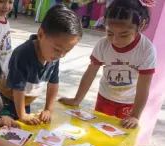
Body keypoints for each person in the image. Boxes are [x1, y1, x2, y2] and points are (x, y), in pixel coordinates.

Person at [60, 0, 157, 129]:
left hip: (129, 103)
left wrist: (135, 116)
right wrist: (77, 99)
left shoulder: (146, 50)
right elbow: (90, 73)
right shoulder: (103, 44)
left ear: (141, 25)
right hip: (104, 98)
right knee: (99, 132)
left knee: (122, 134)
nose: (115, 40)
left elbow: (143, 87)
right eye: (110, 33)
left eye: (124, 35)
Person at [0, 4, 83, 125]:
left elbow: (53, 84)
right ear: (41, 34)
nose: (61, 55)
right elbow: (18, 88)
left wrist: (48, 109)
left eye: (67, 51)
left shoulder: (54, 57)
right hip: (6, 101)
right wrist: (22, 115)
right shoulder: (23, 54)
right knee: (7, 130)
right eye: (57, 49)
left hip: (25, 102)